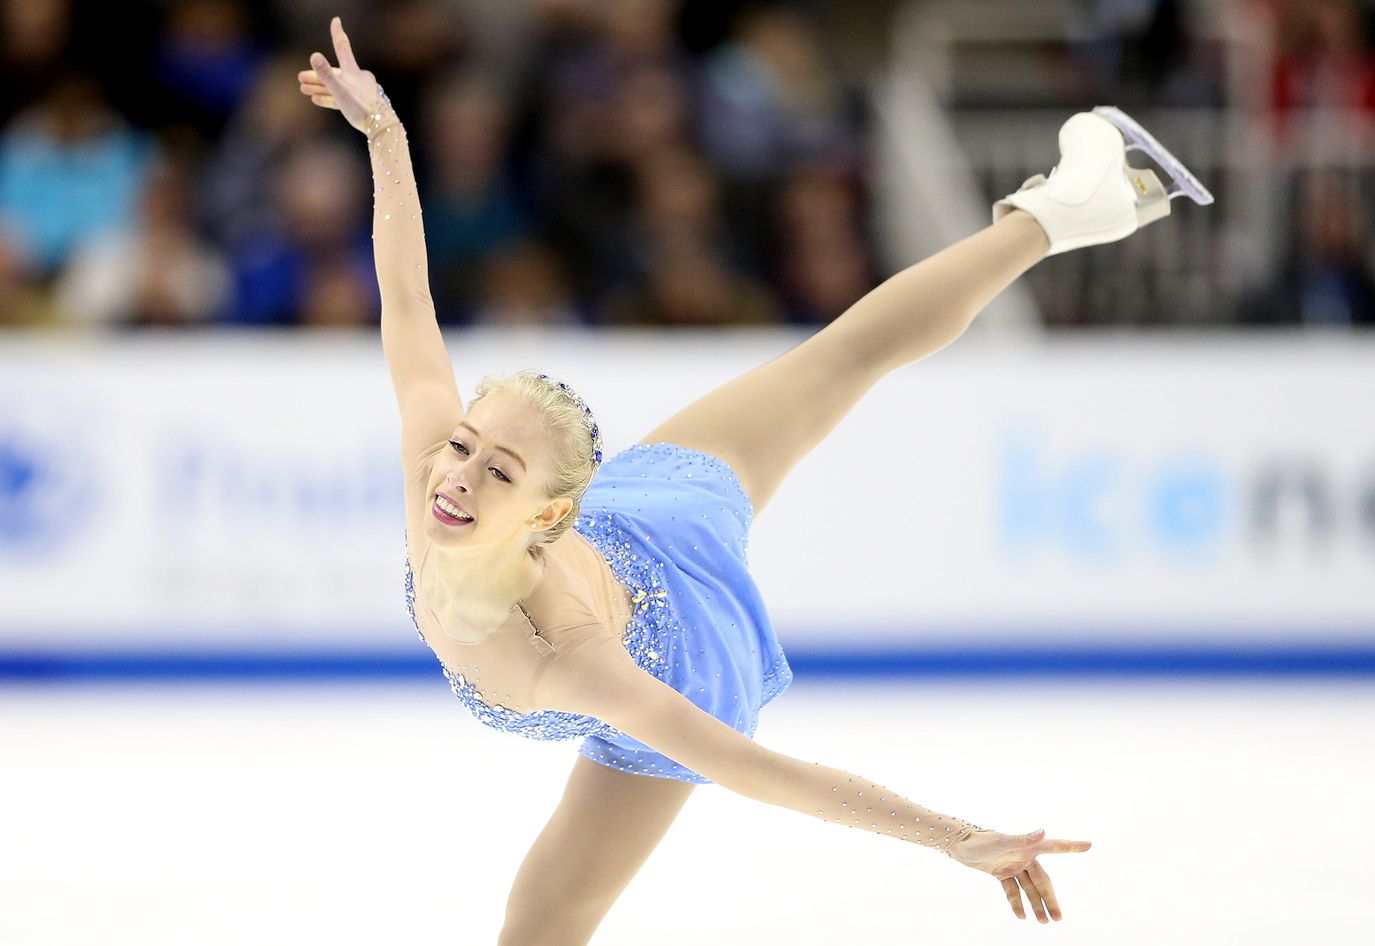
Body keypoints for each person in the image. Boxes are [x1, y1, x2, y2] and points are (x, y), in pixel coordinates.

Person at [298, 16, 1209, 942]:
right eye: (461, 446)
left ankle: (1059, 212)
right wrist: (387, 136)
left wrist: (957, 838)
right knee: (838, 362)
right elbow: (407, 299)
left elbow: (764, 775)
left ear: (547, 513)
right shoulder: (435, 482)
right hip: (632, 520)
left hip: (681, 637)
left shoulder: (573, 660)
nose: (453, 481)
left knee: (535, 925)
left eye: (498, 471)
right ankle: (1070, 211)